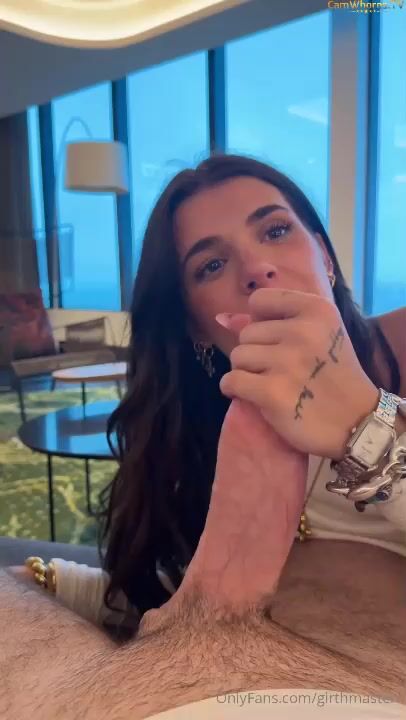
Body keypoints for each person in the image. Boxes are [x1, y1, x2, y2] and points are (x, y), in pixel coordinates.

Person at [9, 153, 406, 637]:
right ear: (196, 326)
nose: (257, 269)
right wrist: (48, 585)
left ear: (324, 255)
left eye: (276, 230)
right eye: (212, 265)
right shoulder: (209, 426)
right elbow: (181, 586)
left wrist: (366, 425)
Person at [1, 399, 406, 719]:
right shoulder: (197, 419)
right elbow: (199, 577)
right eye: (205, 286)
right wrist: (88, 589)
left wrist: (372, 422)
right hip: (167, 665)